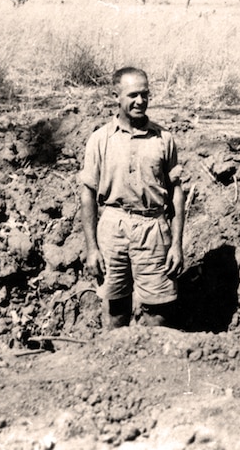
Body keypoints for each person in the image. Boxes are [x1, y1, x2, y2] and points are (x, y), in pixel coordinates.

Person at [79, 67, 185, 328]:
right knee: (116, 308)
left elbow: (177, 195)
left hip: (153, 229)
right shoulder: (100, 140)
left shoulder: (164, 139)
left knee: (158, 313)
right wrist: (92, 248)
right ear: (116, 96)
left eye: (145, 94)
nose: (141, 101)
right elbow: (88, 196)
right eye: (133, 95)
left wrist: (177, 244)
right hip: (113, 229)